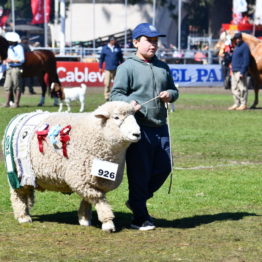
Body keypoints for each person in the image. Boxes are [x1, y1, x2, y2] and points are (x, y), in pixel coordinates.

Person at [110, 23, 179, 230]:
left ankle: (136, 201)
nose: (153, 45)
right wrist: (129, 102)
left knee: (165, 168)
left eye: (155, 41)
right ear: (136, 42)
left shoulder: (163, 66)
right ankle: (139, 217)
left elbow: (174, 91)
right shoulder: (126, 67)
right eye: (149, 40)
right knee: (140, 173)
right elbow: (116, 94)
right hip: (138, 129)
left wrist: (170, 95)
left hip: (161, 127)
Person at [228, 32, 250, 111]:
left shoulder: (245, 47)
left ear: (241, 38)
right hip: (234, 70)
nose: (237, 40)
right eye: (236, 39)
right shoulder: (236, 47)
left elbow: (246, 60)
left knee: (242, 88)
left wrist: (243, 71)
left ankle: (243, 104)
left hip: (240, 71)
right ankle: (236, 103)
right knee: (234, 88)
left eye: (238, 38)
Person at [3, 32, 25, 108]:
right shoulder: (9, 48)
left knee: (17, 86)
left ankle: (16, 103)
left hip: (16, 68)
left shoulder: (19, 48)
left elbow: (21, 60)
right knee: (7, 86)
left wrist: (11, 60)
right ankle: (7, 103)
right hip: (9, 68)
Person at [99, 36, 124, 101]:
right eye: (113, 40)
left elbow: (121, 58)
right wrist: (100, 67)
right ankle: (107, 96)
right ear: (110, 41)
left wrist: (123, 65)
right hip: (108, 69)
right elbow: (101, 59)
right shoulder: (105, 48)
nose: (114, 41)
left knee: (117, 83)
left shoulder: (117, 48)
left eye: (114, 40)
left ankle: (116, 95)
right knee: (107, 83)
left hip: (116, 68)